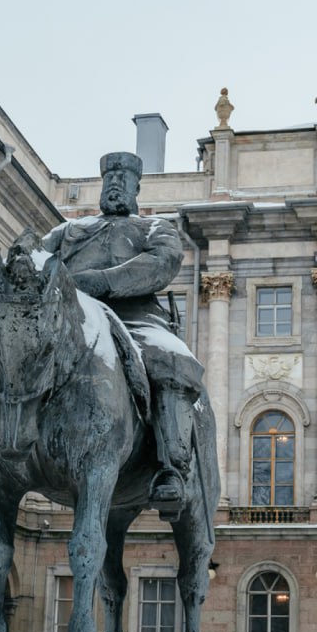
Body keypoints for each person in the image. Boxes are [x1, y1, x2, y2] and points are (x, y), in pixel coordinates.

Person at [40, 151, 200, 515]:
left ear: (136, 188)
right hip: (72, 320)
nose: (114, 184)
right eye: (109, 178)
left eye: (122, 179)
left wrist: (100, 281)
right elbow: (35, 258)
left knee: (171, 362)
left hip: (136, 319)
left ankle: (171, 468)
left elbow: (162, 263)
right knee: (11, 357)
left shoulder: (154, 228)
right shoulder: (67, 232)